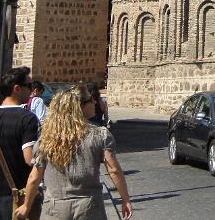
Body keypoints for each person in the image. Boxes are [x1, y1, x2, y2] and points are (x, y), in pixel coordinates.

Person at [14, 85, 133, 220]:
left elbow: (34, 177)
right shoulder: (100, 135)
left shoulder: (47, 138)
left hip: (54, 207)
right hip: (89, 206)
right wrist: (125, 199)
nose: (94, 102)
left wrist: (26, 206)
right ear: (79, 106)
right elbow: (114, 171)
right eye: (90, 100)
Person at [0, 67, 39, 220]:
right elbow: (30, 159)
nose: (32, 90)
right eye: (29, 86)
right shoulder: (27, 119)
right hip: (16, 197)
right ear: (17, 89)